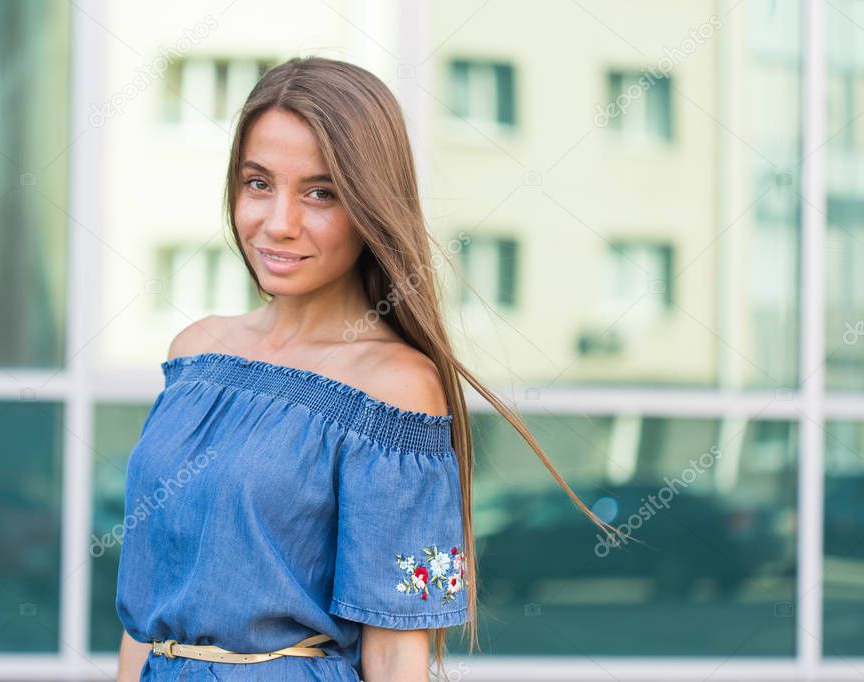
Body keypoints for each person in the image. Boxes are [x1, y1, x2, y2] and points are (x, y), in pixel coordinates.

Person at [114, 56, 621, 682]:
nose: (279, 223)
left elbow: (397, 650)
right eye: (258, 183)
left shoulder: (399, 388)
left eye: (320, 192)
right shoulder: (192, 355)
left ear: (370, 204)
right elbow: (143, 622)